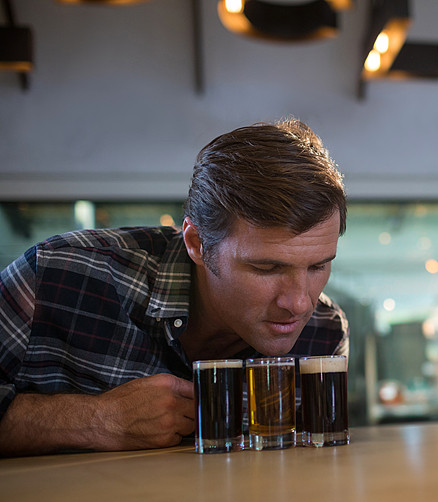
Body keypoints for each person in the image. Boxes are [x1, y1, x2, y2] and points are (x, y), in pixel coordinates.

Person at [0, 119, 349, 457]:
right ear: (196, 243)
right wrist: (97, 419)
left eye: (318, 265)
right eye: (267, 267)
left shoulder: (323, 333)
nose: (301, 303)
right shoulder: (58, 276)